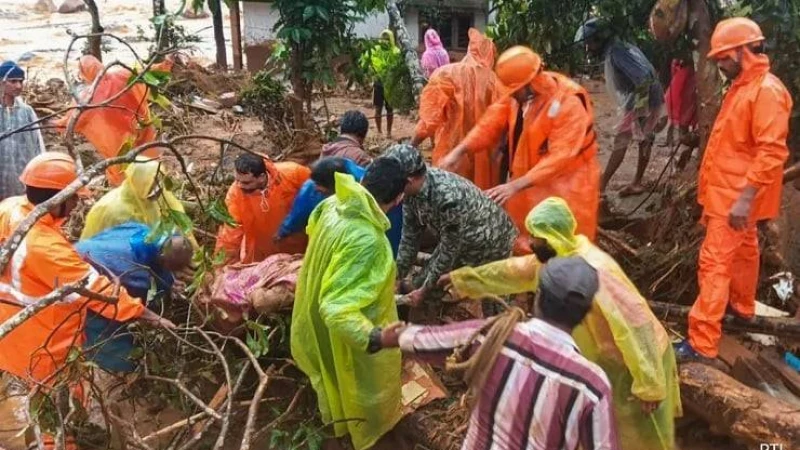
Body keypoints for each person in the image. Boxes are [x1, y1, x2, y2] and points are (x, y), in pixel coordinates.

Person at [443, 197, 681, 450]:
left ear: (553, 235)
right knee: (609, 429)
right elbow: (512, 272)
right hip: (609, 361)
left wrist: (649, 385)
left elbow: (637, 325)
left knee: (642, 436)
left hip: (638, 362)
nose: (531, 243)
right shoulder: (557, 262)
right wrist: (461, 280)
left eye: (537, 237)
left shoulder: (596, 271)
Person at [377, 257, 620, 450]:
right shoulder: (592, 385)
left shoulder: (494, 335)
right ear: (585, 312)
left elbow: (431, 340)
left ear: (539, 296)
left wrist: (387, 337)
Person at [0, 153, 173, 386]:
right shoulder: (47, 249)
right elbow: (96, 290)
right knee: (63, 391)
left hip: (11, 323)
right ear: (57, 199)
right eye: (73, 198)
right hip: (44, 341)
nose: (76, 204)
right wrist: (149, 316)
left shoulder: (10, 208)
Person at [675, 18, 792, 363]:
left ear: (744, 51)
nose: (720, 64)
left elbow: (772, 152)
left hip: (735, 198)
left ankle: (702, 342)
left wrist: (743, 199)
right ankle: (740, 309)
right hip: (730, 194)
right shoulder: (744, 86)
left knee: (713, 263)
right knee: (744, 251)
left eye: (724, 58)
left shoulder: (765, 91)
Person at [291, 157, 408, 450]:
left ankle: (340, 430)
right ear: (399, 197)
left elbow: (314, 235)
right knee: (362, 389)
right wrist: (377, 337)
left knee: (332, 380)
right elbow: (336, 308)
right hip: (348, 334)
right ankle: (367, 437)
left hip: (312, 316)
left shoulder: (333, 204)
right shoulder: (368, 239)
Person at [440, 46, 601, 251]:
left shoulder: (569, 103)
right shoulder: (521, 96)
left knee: (565, 242)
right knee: (525, 236)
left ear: (530, 83)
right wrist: (461, 149)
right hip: (528, 181)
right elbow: (491, 122)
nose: (511, 95)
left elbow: (561, 156)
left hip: (568, 185)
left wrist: (514, 186)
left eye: (515, 91)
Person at [386, 144, 517, 307]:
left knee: (493, 301)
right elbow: (409, 238)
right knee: (423, 284)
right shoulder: (410, 193)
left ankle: (505, 327)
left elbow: (448, 251)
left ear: (409, 180)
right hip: (460, 239)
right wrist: (397, 276)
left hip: (492, 240)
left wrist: (425, 290)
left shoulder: (447, 198)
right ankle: (428, 319)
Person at [77, 223, 193, 372]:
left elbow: (154, 262)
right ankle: (123, 369)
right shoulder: (132, 274)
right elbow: (128, 306)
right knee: (112, 345)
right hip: (80, 289)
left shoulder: (142, 230)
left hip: (80, 250)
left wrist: (169, 282)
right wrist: (155, 319)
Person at [576, 18, 666, 196]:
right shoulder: (620, 45)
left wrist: (640, 112)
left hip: (642, 97)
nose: (588, 48)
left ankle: (601, 186)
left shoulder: (617, 51)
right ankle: (636, 183)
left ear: (598, 39)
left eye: (589, 43)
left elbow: (643, 78)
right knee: (645, 139)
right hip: (645, 96)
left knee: (622, 140)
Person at [412, 29, 501, 190]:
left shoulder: (446, 74)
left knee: (450, 200)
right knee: (478, 204)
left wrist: (411, 145)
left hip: (451, 154)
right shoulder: (496, 83)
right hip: (484, 162)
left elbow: (429, 121)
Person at [55, 55, 165, 185]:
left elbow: (71, 121)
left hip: (117, 139)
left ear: (84, 73)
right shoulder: (124, 74)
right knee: (149, 164)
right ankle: (154, 184)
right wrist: (166, 64)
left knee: (122, 170)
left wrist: (55, 124)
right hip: (141, 128)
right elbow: (149, 72)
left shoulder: (87, 97)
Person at [277, 157, 403, 257]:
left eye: (321, 188)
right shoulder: (314, 188)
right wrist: (284, 231)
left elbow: (391, 232)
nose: (316, 189)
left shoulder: (375, 189)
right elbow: (300, 211)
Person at [216, 153, 310, 264]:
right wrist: (222, 263)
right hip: (263, 253)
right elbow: (230, 233)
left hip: (299, 242)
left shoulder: (293, 173)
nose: (239, 186)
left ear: (261, 177)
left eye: (246, 182)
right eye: (237, 180)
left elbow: (318, 192)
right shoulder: (235, 195)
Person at [81, 157, 191, 240]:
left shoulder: (159, 195)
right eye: (150, 185)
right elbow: (124, 247)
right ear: (138, 185)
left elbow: (179, 221)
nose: (157, 189)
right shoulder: (117, 212)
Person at [0, 60, 45, 201]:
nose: (18, 86)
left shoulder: (26, 111)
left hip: (21, 175)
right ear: (2, 82)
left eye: (21, 81)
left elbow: (38, 143)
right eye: (13, 81)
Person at [664, 56, 699, 170]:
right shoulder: (679, 65)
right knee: (681, 124)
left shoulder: (684, 69)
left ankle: (682, 156)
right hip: (681, 93)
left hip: (685, 93)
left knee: (682, 124)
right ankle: (681, 157)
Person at [372, 30, 397, 137]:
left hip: (390, 84)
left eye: (387, 39)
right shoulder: (376, 50)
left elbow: (397, 66)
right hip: (378, 83)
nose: (385, 41)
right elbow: (373, 63)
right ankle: (379, 131)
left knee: (390, 109)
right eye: (384, 38)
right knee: (378, 108)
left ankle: (388, 132)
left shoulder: (395, 51)